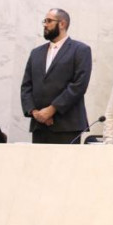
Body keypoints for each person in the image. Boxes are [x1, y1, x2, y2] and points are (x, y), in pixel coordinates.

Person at [20, 8, 93, 144]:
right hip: (39, 125)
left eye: (49, 21)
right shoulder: (36, 53)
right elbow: (26, 86)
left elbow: (78, 85)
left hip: (67, 126)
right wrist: (34, 112)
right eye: (44, 21)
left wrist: (52, 109)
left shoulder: (80, 50)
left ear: (62, 24)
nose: (45, 24)